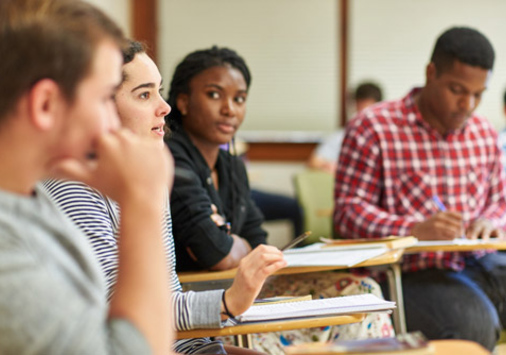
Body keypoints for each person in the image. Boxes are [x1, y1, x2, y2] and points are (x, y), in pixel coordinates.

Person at [43, 40, 286, 355]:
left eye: (158, 90)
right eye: (144, 94)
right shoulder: (72, 187)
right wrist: (228, 301)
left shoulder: (146, 172)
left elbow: (165, 300)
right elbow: (124, 317)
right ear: (98, 107)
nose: (165, 107)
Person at [166, 46, 394, 355]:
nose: (230, 109)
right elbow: (213, 251)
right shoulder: (170, 158)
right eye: (214, 95)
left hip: (243, 289)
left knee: (365, 290)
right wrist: (232, 243)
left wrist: (232, 240)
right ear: (182, 101)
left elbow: (258, 240)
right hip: (202, 307)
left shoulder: (231, 166)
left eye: (239, 99)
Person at [0, 0, 175, 354]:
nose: (112, 123)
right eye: (104, 98)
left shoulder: (33, 199)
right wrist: (143, 200)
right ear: (46, 104)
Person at [334, 26, 506, 351]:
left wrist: (491, 222)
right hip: (409, 272)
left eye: (478, 94)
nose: (467, 104)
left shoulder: (483, 133)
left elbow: (500, 202)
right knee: (473, 327)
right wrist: (414, 230)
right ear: (431, 73)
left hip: (479, 263)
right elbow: (347, 214)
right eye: (457, 89)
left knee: (481, 314)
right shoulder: (373, 127)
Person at [307, 82, 383, 173]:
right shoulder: (342, 135)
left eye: (369, 111)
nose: (365, 117)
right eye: (361, 110)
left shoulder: (386, 138)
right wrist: (335, 167)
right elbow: (314, 162)